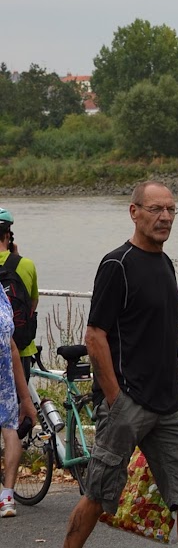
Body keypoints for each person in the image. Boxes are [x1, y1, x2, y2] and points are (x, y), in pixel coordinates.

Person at [62, 182, 178, 548]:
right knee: (99, 492)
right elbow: (95, 335)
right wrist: (116, 400)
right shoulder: (118, 264)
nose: (165, 217)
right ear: (134, 212)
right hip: (128, 401)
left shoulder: (165, 263)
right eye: (156, 209)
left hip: (170, 404)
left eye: (171, 210)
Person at [0, 265, 36, 517]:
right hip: (5, 379)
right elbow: (12, 348)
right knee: (11, 429)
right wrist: (25, 398)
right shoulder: (2, 299)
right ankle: (7, 497)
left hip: (5, 379)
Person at [0, 209, 40, 381]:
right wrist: (15, 258)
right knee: (18, 397)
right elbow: (32, 304)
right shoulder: (26, 265)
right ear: (8, 235)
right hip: (20, 348)